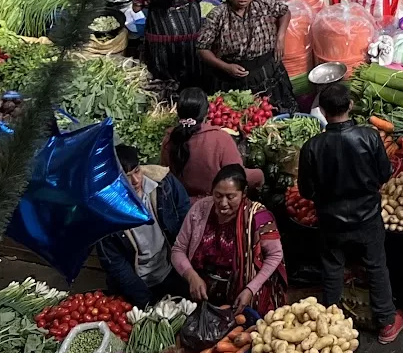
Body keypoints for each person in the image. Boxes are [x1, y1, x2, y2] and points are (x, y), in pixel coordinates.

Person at [300, 82, 403, 341]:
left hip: (330, 223)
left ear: (322, 112)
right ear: (351, 105)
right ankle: (386, 323)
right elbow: (385, 173)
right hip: (368, 218)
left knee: (332, 269)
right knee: (376, 265)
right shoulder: (369, 136)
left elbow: (305, 190)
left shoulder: (312, 147)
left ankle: (331, 326)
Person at [172, 163, 285, 312]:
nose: (223, 203)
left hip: (245, 292)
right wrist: (191, 276)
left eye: (230, 197)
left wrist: (251, 289)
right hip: (203, 294)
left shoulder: (258, 217)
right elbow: (178, 250)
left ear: (243, 193)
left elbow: (275, 254)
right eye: (218, 195)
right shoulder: (200, 209)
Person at [99, 145, 190, 305]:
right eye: (126, 176)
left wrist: (187, 268)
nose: (136, 180)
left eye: (137, 171)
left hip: (170, 269)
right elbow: (116, 265)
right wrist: (145, 301)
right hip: (136, 282)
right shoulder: (105, 214)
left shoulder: (163, 184)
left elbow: (184, 214)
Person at [197, 0, 296, 111]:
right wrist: (225, 67)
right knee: (241, 116)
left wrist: (280, 37)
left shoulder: (263, 1)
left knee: (275, 112)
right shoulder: (218, 15)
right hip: (233, 77)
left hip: (266, 70)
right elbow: (202, 48)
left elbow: (284, 12)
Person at [164, 88, 262, 196]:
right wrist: (259, 176)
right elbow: (237, 177)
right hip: (214, 207)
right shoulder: (220, 139)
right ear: (206, 112)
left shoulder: (169, 139)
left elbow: (165, 175)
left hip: (180, 206)